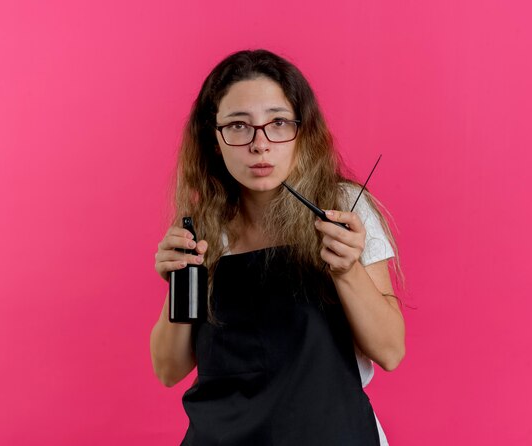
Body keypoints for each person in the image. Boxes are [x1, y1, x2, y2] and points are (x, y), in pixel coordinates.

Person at [150, 49, 405, 445]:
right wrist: (178, 287)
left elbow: (390, 351)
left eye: (278, 123)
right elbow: (168, 369)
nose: (260, 144)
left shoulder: (341, 208)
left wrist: (346, 269)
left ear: (302, 131)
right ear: (214, 140)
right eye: (238, 125)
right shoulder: (202, 230)